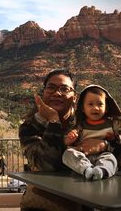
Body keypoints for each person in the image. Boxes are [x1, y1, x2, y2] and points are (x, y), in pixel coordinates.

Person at [19, 68, 107, 211]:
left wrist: (104, 145)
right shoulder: (30, 126)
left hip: (85, 202)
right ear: (44, 93)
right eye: (51, 88)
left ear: (75, 97)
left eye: (64, 89)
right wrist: (54, 122)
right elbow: (45, 165)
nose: (57, 93)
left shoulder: (90, 123)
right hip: (41, 204)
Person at [62, 85, 121, 180]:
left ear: (106, 108)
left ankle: (101, 171)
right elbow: (69, 142)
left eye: (100, 104)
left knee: (110, 158)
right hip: (84, 157)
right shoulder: (79, 126)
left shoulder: (113, 125)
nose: (96, 108)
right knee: (68, 153)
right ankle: (86, 170)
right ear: (82, 108)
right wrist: (68, 140)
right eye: (90, 104)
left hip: (103, 155)